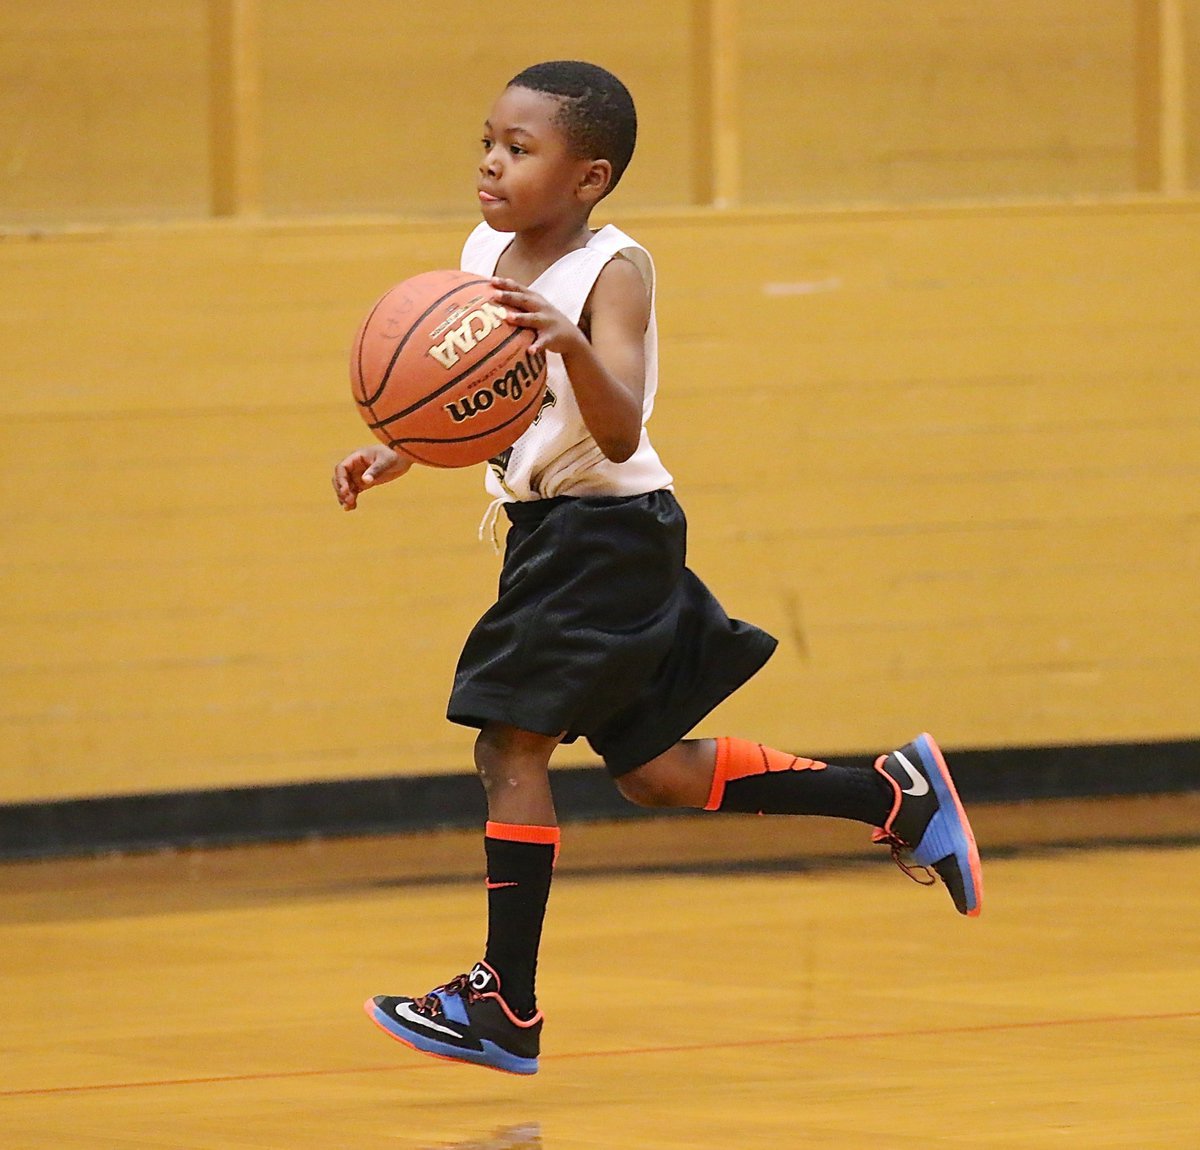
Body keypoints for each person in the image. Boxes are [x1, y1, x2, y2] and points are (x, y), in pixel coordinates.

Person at [333, 60, 982, 1077]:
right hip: (560, 535)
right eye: (489, 143)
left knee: (510, 746)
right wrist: (404, 446)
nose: (492, 164)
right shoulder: (482, 251)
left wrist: (571, 346)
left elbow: (620, 413)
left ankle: (505, 1002)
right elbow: (483, 398)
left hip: (608, 533)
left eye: (520, 149)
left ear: (588, 178)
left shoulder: (613, 271)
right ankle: (894, 798)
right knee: (653, 774)